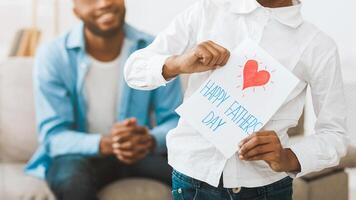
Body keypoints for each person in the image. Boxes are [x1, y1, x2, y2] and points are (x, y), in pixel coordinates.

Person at [124, 0, 348, 199]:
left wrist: (288, 157)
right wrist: (179, 63)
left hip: (265, 187)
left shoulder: (318, 46)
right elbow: (134, 70)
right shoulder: (207, 11)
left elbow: (334, 134)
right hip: (191, 177)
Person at [25, 0, 182, 199]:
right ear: (76, 11)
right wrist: (105, 143)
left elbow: (176, 120)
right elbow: (53, 136)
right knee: (72, 179)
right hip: (81, 156)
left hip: (140, 152)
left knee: (194, 173)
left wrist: (149, 140)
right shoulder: (53, 56)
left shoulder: (154, 50)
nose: (104, 3)